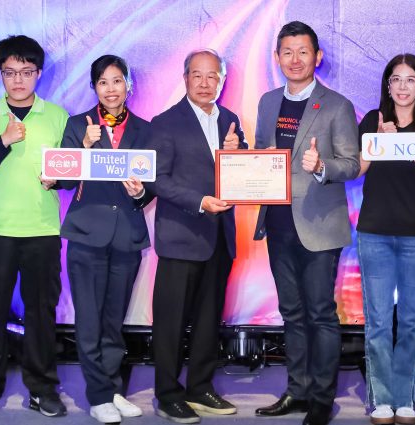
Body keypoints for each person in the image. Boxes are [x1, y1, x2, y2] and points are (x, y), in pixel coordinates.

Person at [253, 21, 360, 425]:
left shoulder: (337, 105)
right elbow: (263, 153)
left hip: (319, 225)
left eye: (303, 51)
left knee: (320, 313)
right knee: (291, 313)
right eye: (287, 52)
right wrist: (242, 153)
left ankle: (321, 398)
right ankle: (297, 391)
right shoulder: (267, 102)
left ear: (318, 57)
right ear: (277, 57)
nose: (295, 59)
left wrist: (321, 166)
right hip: (277, 221)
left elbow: (351, 164)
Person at [0, 35, 68, 418]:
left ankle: (42, 389)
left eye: (26, 71)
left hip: (41, 230)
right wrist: (3, 141)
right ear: (0, 74)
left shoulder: (57, 116)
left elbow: (70, 173)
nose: (18, 80)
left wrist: (58, 180)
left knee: (42, 313)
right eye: (10, 72)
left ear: (39, 73)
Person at [149, 48, 247, 424]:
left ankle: (200, 387)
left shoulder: (231, 119)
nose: (205, 83)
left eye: (212, 76)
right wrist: (199, 202)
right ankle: (168, 393)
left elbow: (241, 172)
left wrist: (240, 153)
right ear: (185, 78)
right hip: (181, 236)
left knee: (209, 320)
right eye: (197, 75)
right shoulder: (165, 122)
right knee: (171, 323)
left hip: (219, 238)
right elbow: (157, 179)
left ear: (221, 80)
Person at [53, 55, 152, 424]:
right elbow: (64, 180)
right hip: (87, 236)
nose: (111, 89)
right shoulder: (77, 124)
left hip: (127, 236)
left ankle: (111, 389)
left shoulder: (145, 129)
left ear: (129, 84)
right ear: (94, 87)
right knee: (90, 321)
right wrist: (83, 147)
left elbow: (151, 183)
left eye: (117, 80)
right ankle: (97, 396)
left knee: (114, 320)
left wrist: (142, 193)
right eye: (103, 82)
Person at [357, 54, 415, 425]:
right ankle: (381, 400)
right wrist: (377, 144)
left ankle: (405, 398)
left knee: (412, 322)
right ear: (387, 84)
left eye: (410, 80)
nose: (402, 86)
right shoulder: (374, 120)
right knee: (378, 322)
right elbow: (357, 168)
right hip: (375, 233)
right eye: (395, 79)